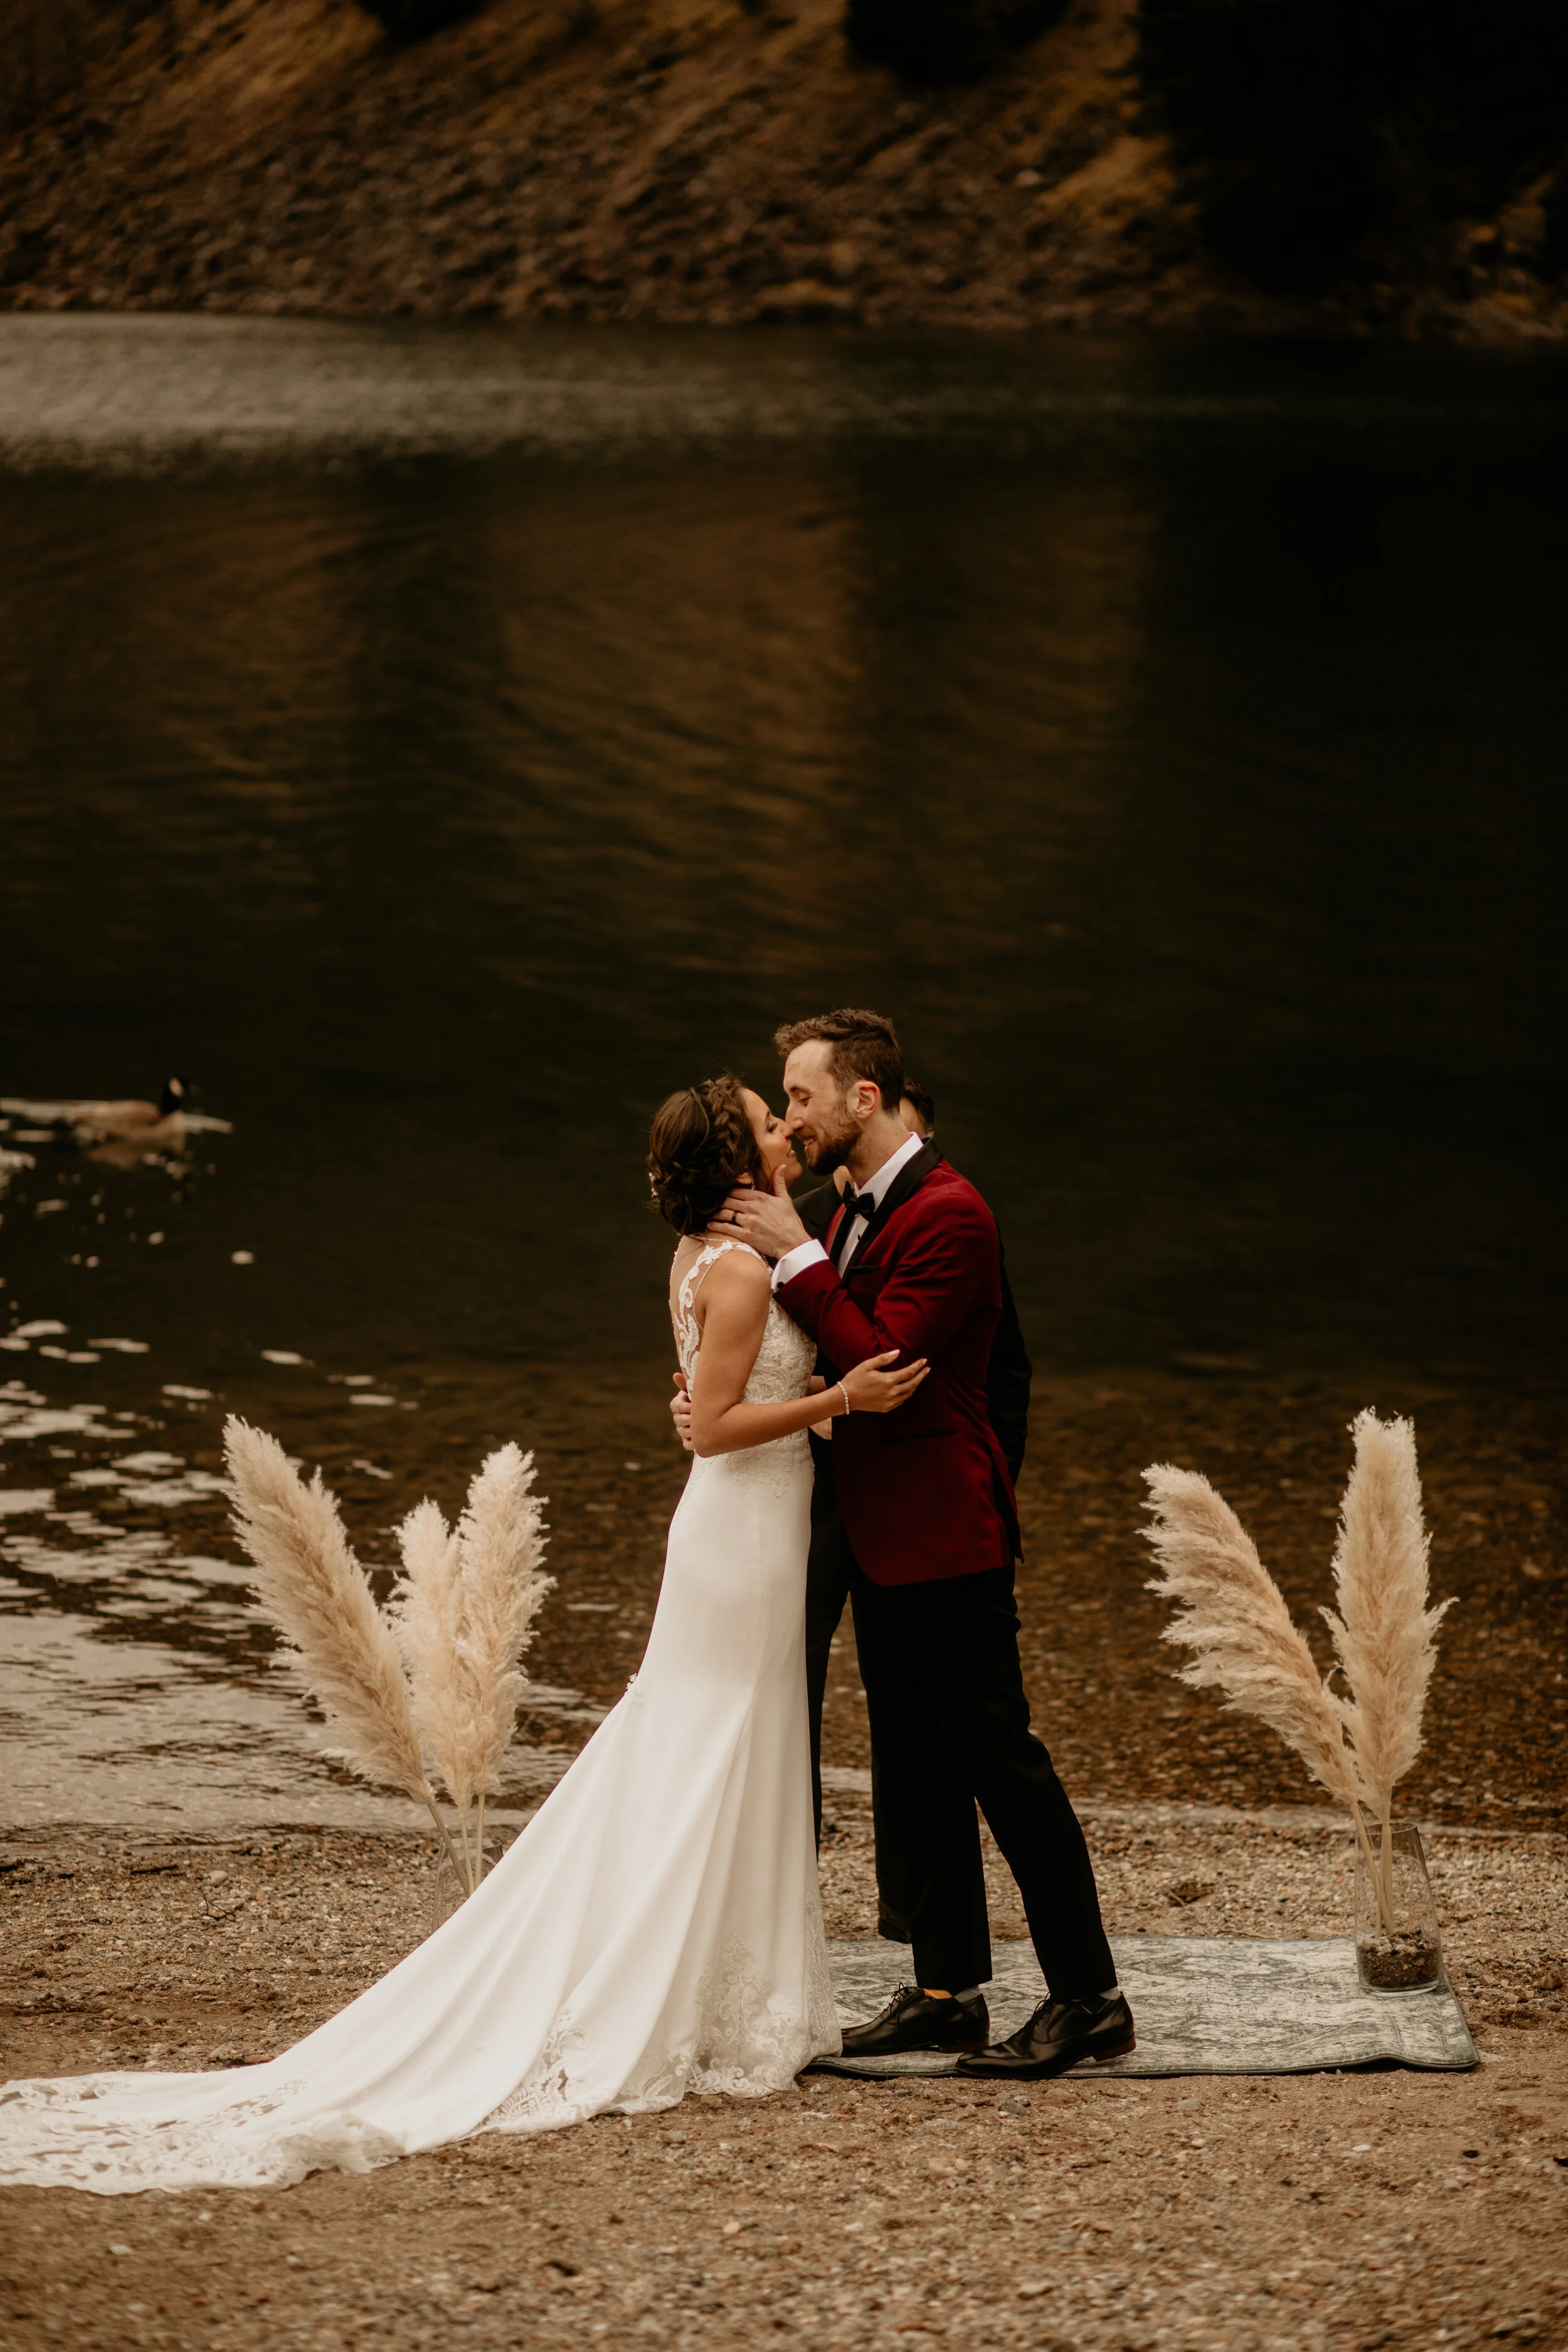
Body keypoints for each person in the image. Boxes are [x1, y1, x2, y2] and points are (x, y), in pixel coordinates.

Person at [0, 1074, 930, 2194]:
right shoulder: (735, 1270)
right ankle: (699, 1988)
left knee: (729, 1739)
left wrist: (783, 1388)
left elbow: (706, 1398)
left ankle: (739, 1984)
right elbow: (718, 1427)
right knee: (717, 1741)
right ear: (740, 1156)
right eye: (768, 1116)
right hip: (744, 1534)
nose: (787, 1124)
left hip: (749, 1528)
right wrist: (840, 1402)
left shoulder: (707, 1254)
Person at [720, 1010, 1133, 2079]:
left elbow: (887, 1363)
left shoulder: (953, 1212)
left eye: (802, 1095)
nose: (791, 1116)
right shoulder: (850, 1207)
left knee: (1004, 1763)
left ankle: (1091, 1996)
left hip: (946, 1536)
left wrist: (796, 1254)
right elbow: (818, 1353)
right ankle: (948, 1992)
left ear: (866, 1096)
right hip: (878, 1534)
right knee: (919, 1767)